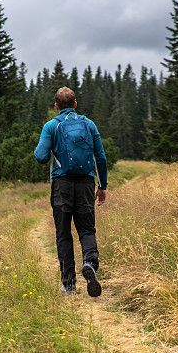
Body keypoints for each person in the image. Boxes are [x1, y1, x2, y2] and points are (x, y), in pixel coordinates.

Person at [34, 87, 108, 297]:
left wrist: (48, 148)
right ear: (75, 104)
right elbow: (100, 157)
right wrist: (102, 187)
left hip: (61, 185)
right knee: (86, 230)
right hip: (86, 183)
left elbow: (40, 157)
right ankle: (90, 263)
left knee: (63, 234)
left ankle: (69, 284)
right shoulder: (89, 124)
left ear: (56, 106)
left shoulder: (51, 126)